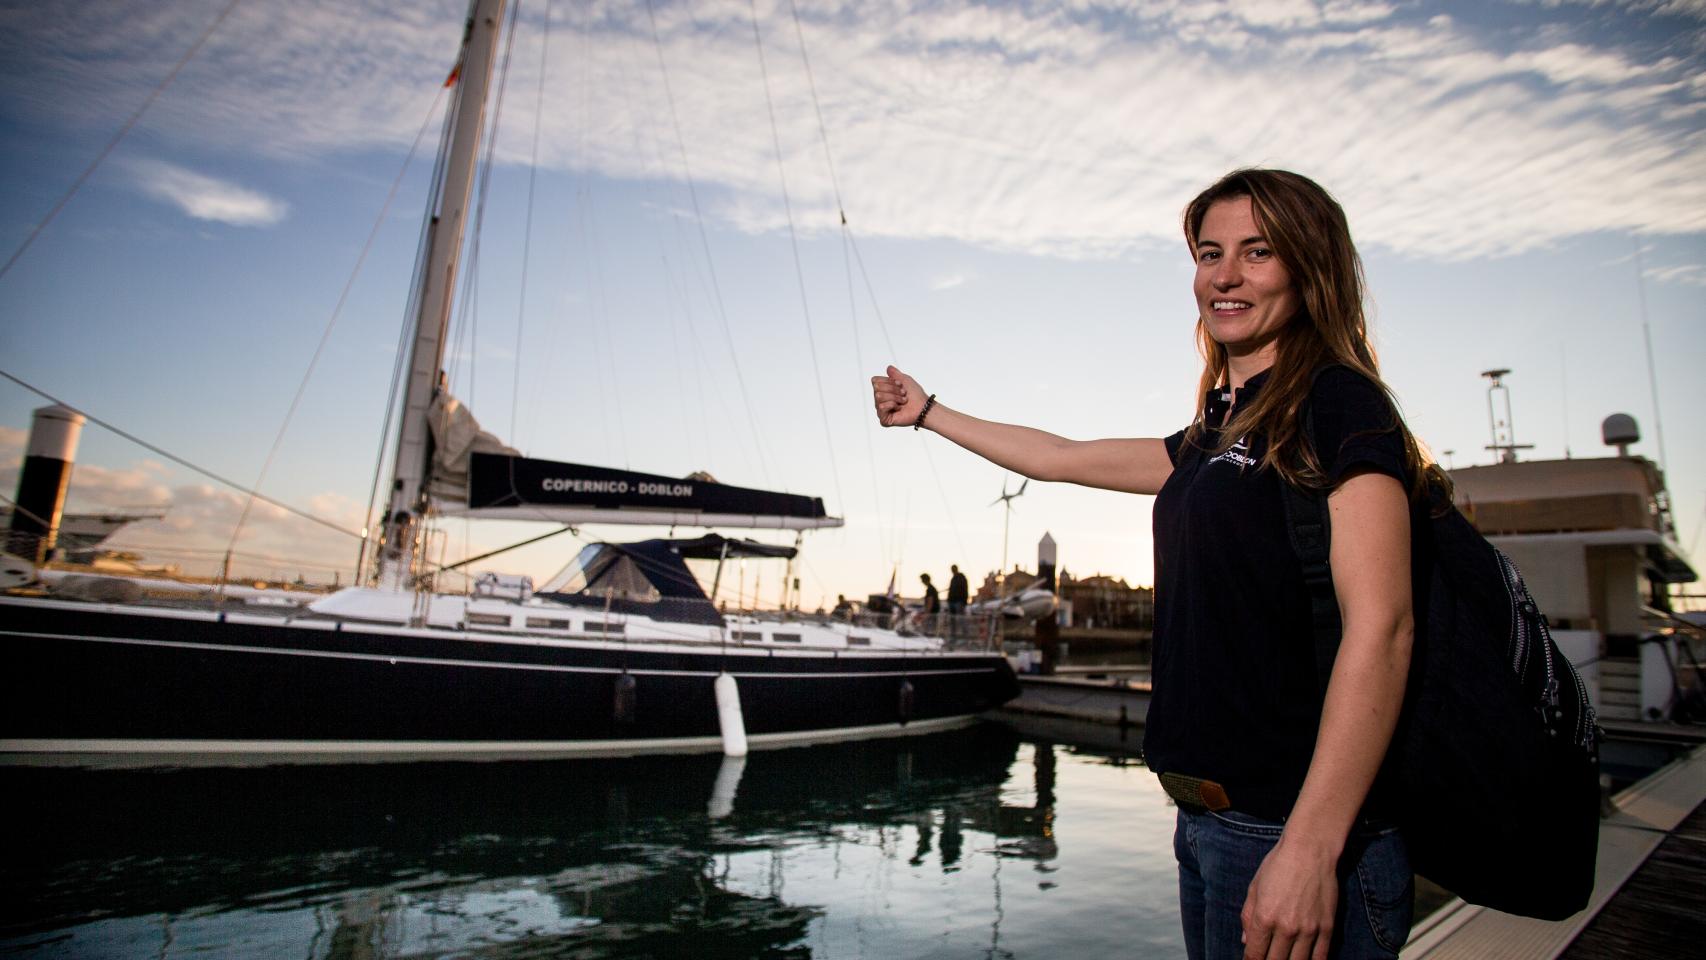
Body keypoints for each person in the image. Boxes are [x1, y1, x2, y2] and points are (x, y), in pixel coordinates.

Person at [872, 168, 1437, 960]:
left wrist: (1310, 850)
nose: (1225, 276)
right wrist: (929, 413)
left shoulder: (1338, 404)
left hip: (1289, 832)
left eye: (1258, 252)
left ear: (1311, 268)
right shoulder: (1216, 430)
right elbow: (1060, 456)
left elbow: (1385, 628)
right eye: (1210, 253)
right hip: (1207, 824)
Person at [947, 564, 970, 637]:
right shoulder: (953, 578)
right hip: (952, 601)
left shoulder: (961, 578)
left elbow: (965, 590)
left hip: (959, 602)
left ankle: (965, 634)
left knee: (960, 618)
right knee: (952, 619)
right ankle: (953, 634)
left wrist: (964, 601)